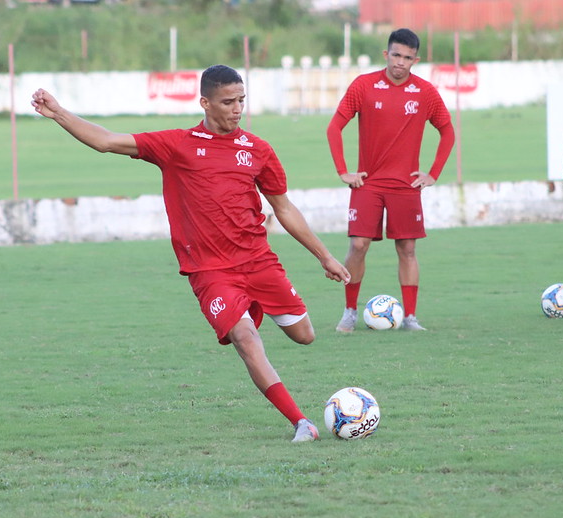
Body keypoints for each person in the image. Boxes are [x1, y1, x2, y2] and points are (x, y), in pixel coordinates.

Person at [31, 65, 350, 442]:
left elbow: (283, 207)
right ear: (205, 102)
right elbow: (107, 141)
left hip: (259, 261)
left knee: (304, 336)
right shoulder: (177, 145)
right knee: (246, 339)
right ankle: (301, 423)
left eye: (242, 101)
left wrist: (324, 256)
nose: (237, 109)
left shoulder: (258, 150)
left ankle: (255, 307)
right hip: (210, 271)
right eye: (228, 102)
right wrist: (60, 114)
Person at [326, 28, 454, 333]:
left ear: (415, 60)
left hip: (405, 186)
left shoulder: (425, 92)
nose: (400, 62)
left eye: (407, 58)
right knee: (358, 245)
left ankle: (410, 318)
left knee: (407, 249)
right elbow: (334, 128)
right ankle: (349, 313)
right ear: (386, 54)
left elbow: (447, 131)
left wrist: (432, 174)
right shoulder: (363, 86)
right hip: (367, 184)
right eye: (396, 55)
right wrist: (344, 171)